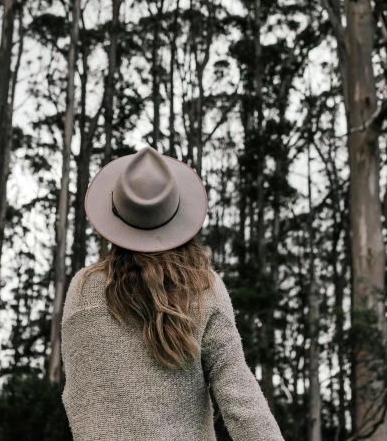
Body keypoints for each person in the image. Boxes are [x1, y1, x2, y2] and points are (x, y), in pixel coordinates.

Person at [61, 145, 285, 441]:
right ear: (177, 215)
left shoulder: (82, 289)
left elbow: (78, 396)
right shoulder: (203, 289)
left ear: (115, 214)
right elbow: (241, 401)